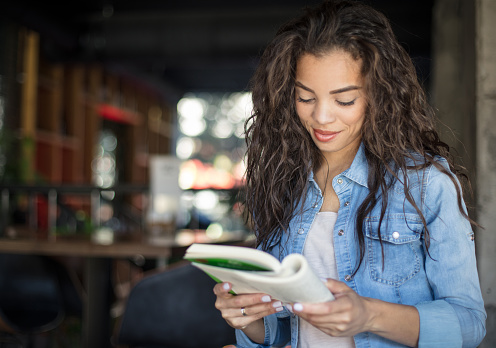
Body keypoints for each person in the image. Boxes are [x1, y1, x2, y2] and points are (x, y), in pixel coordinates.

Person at [213, 0, 487, 347]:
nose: (322, 117)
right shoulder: (286, 182)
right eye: (305, 97)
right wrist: (246, 319)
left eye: (344, 100)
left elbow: (470, 324)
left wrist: (369, 315)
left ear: (378, 95)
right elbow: (282, 329)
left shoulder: (425, 183)